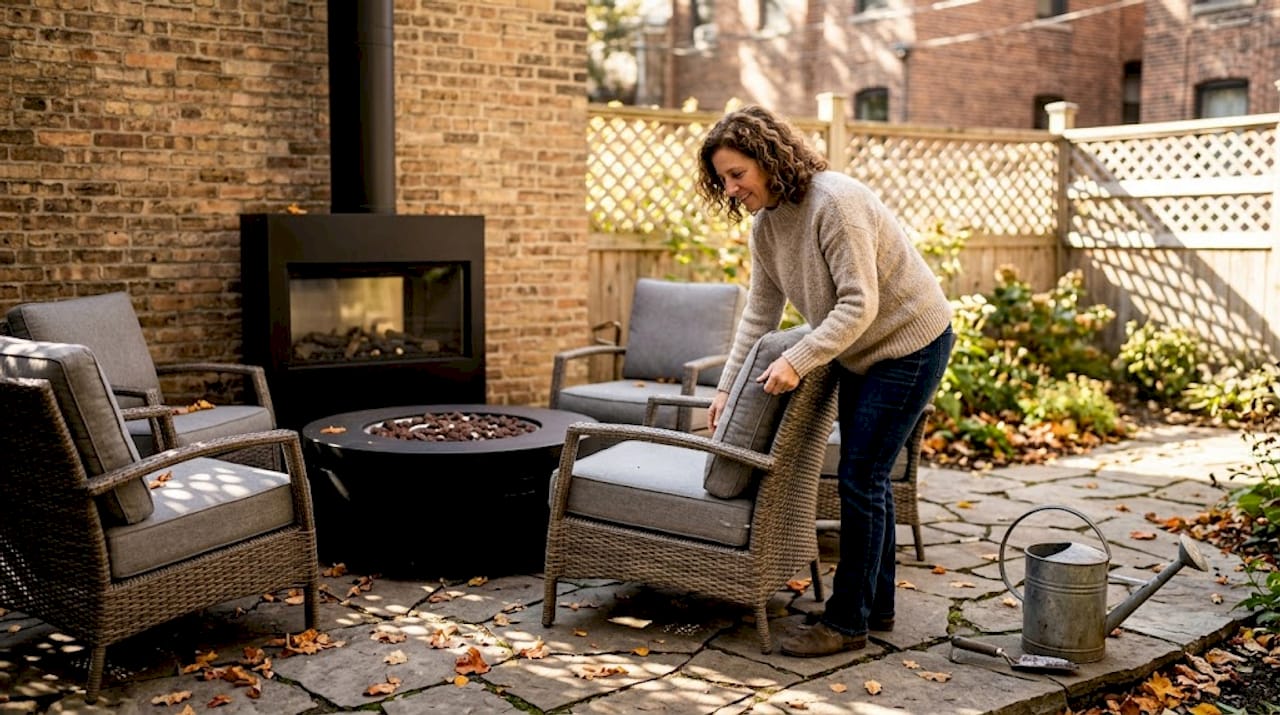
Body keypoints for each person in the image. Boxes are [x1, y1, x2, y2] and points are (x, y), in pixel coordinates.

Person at [696, 105, 955, 657]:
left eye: (738, 173)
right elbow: (758, 316)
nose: (731, 187)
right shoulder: (766, 227)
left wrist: (801, 358)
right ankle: (874, 604)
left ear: (768, 159)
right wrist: (725, 388)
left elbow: (861, 304)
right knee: (871, 477)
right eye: (723, 179)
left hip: (911, 341)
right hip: (858, 349)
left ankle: (847, 622)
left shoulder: (835, 202)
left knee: (860, 476)